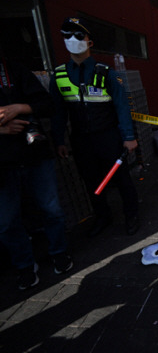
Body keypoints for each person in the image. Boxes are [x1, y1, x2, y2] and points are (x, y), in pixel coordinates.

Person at [50, 17, 139, 236]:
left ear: (90, 42)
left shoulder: (106, 73)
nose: (73, 40)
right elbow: (58, 112)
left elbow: (122, 107)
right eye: (67, 35)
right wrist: (59, 140)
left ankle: (131, 216)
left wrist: (129, 137)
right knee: (91, 182)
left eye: (79, 35)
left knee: (121, 179)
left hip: (109, 137)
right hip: (81, 139)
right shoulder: (59, 76)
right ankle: (103, 216)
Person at [0, 57, 73, 290]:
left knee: (51, 208)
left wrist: (21, 108)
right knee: (7, 221)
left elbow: (48, 105)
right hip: (2, 164)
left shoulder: (15, 70)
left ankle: (59, 252)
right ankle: (24, 265)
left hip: (35, 154)